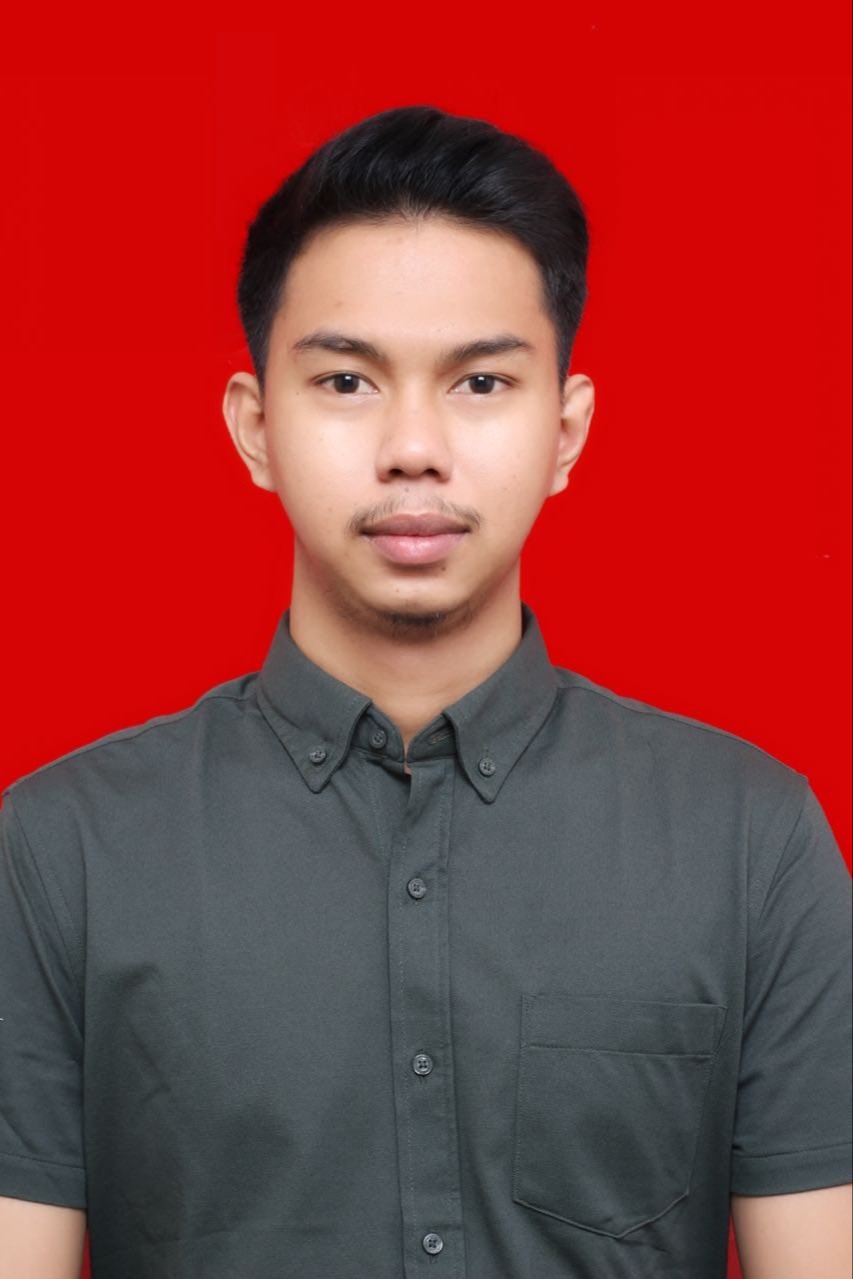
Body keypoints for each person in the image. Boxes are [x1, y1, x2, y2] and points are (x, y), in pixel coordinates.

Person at [0, 104, 850, 1279]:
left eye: (480, 382)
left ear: (566, 429)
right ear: (256, 426)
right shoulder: (61, 853)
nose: (413, 446)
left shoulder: (749, 840)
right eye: (347, 379)